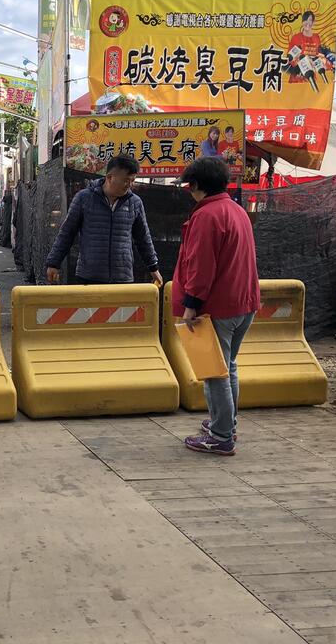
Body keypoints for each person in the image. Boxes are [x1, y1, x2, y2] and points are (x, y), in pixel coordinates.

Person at [174, 156, 260, 456]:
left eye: (189, 185)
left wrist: (191, 304)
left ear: (197, 185)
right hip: (243, 302)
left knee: (214, 372)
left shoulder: (206, 215)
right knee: (228, 367)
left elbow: (201, 264)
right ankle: (226, 424)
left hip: (216, 306)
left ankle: (221, 435)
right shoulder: (237, 210)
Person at [45, 155, 163, 285]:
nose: (129, 185)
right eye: (126, 180)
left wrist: (153, 267)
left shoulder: (135, 203)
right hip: (88, 276)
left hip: (122, 278)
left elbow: (143, 238)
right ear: (110, 177)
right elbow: (67, 233)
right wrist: (54, 263)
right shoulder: (84, 198)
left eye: (132, 180)